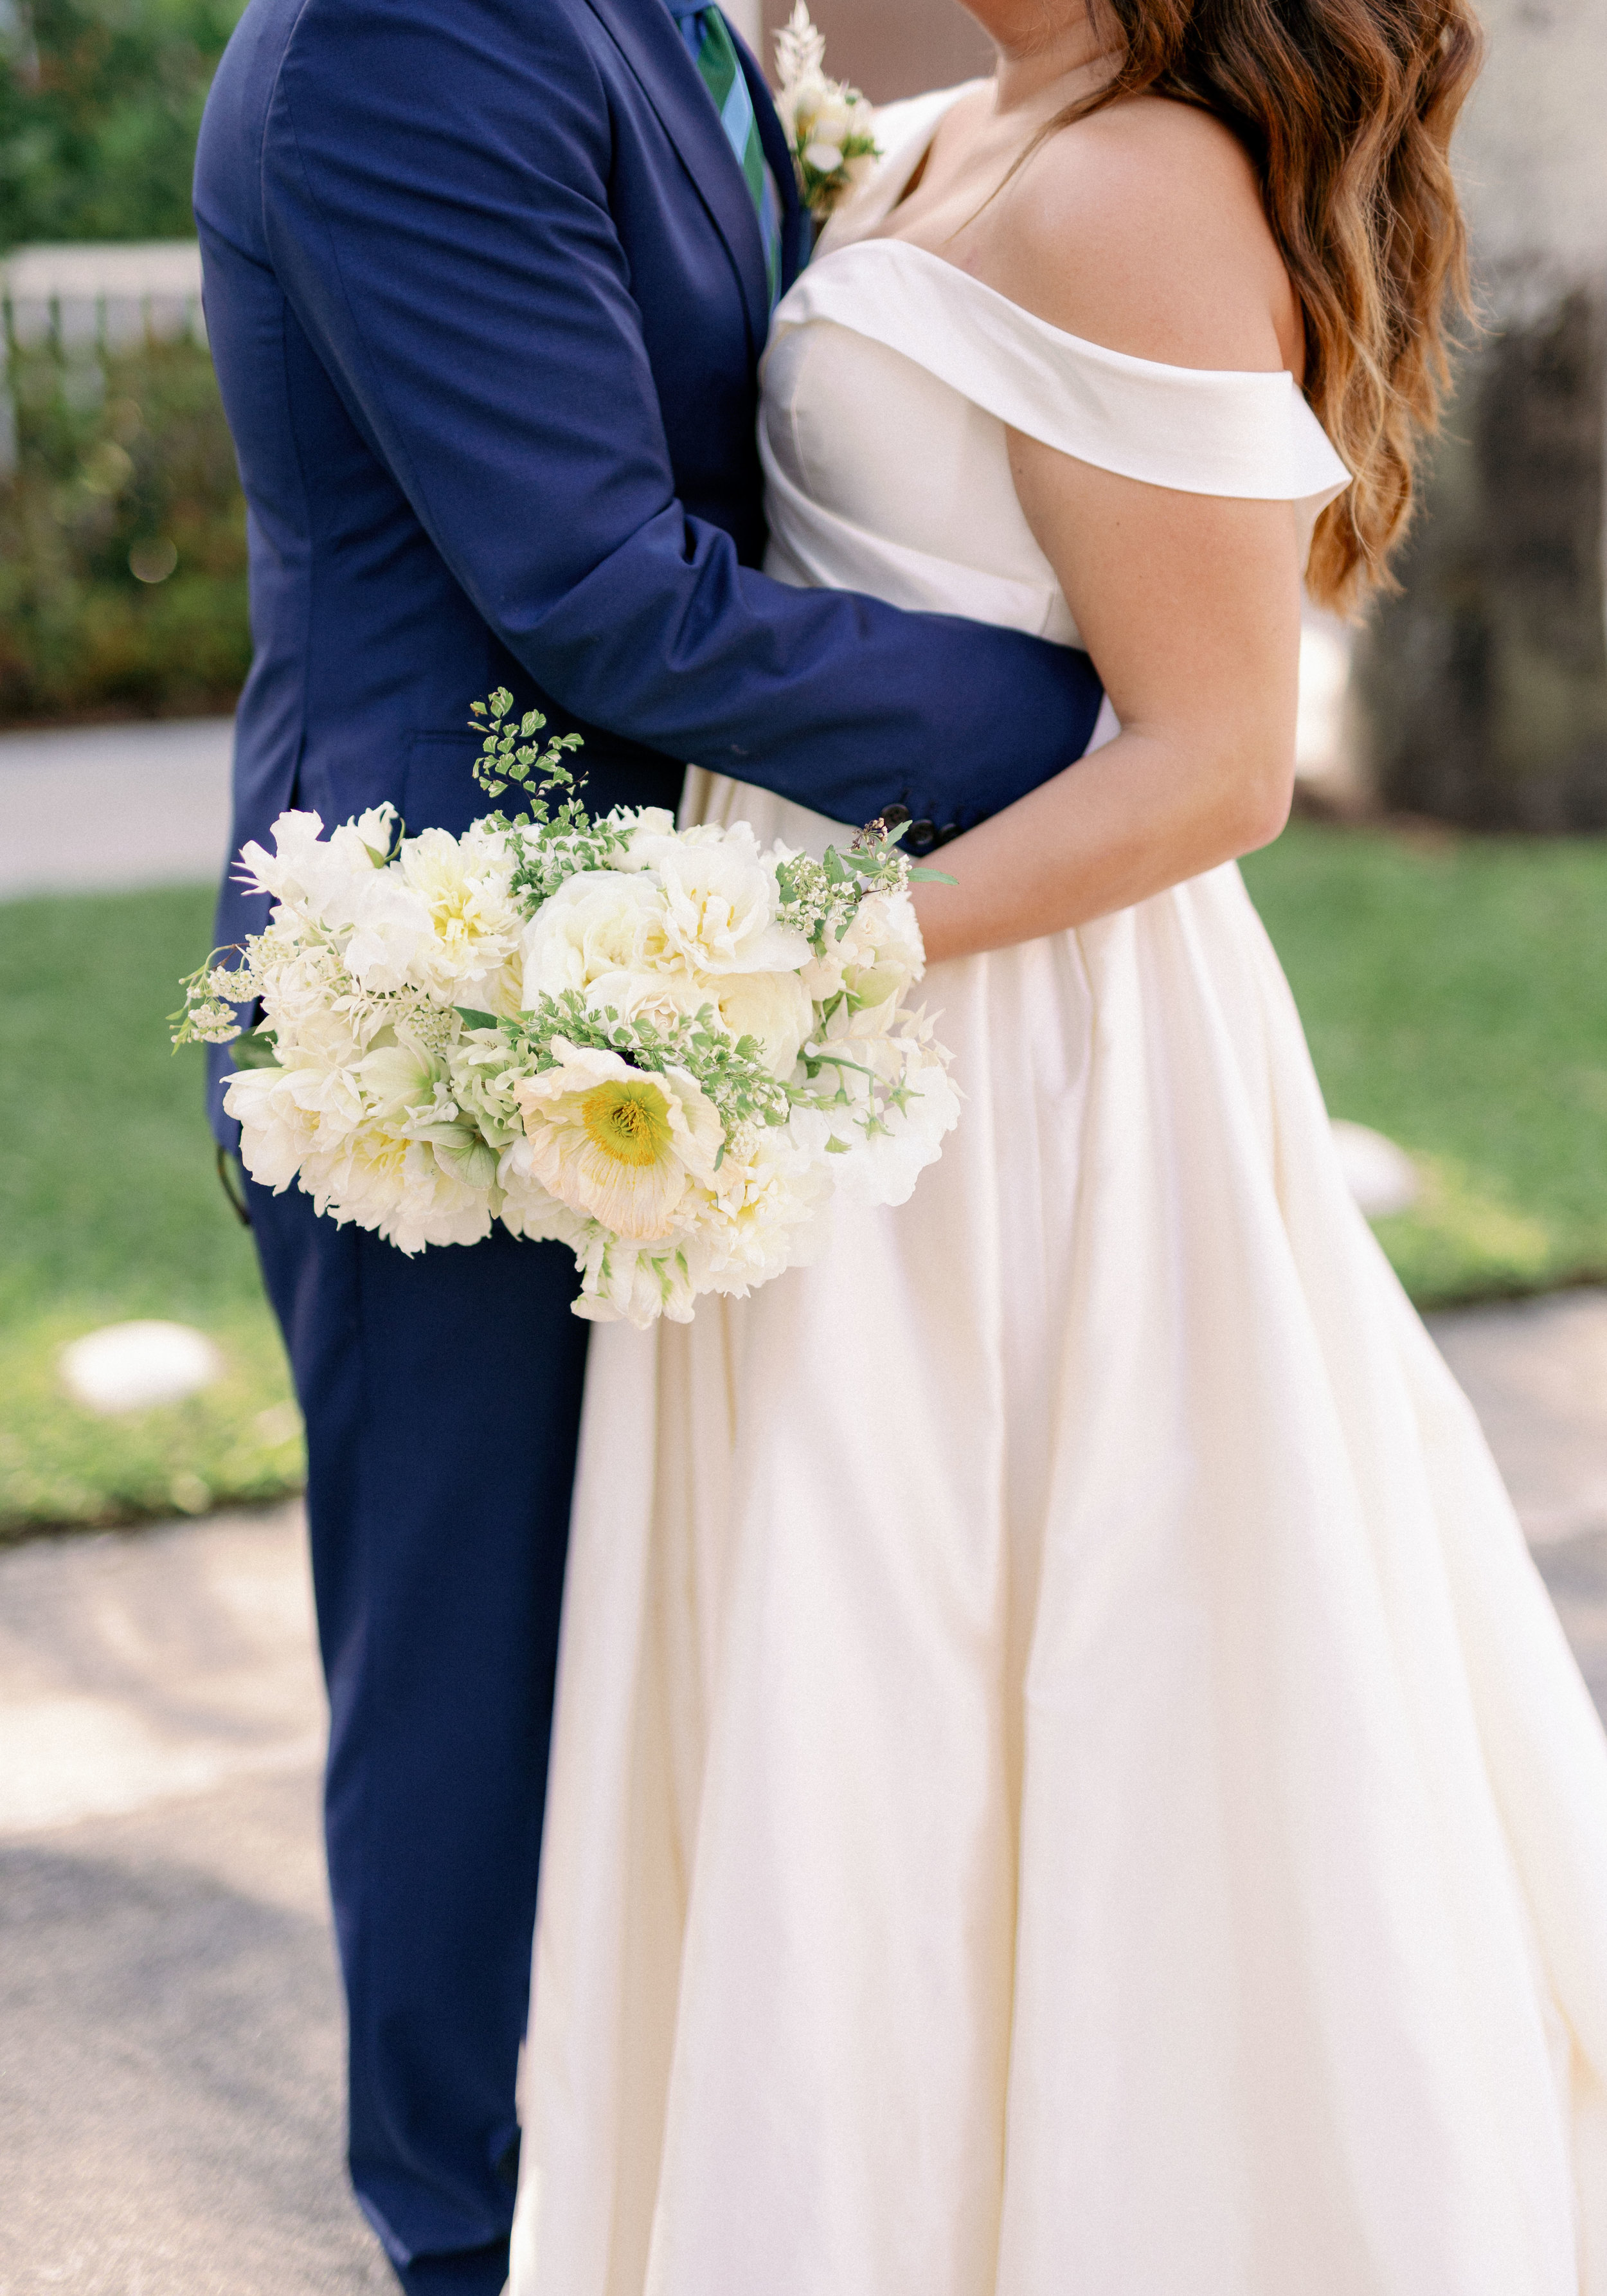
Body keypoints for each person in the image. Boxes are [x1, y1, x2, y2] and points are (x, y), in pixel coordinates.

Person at [510, 3, 1607, 2290]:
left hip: (1004, 1044)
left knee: (1019, 1648)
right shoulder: (940, 130)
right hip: (830, 979)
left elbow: (1212, 760)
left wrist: (801, 979)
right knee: (820, 1670)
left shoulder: (1145, 190)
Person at [190, 1, 1106, 2289]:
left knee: (681, 1642)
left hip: (693, 966)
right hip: (460, 999)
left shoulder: (662, 12)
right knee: (475, 1679)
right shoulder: (407, 39)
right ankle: (470, 2239)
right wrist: (1092, 713)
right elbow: (600, 588)